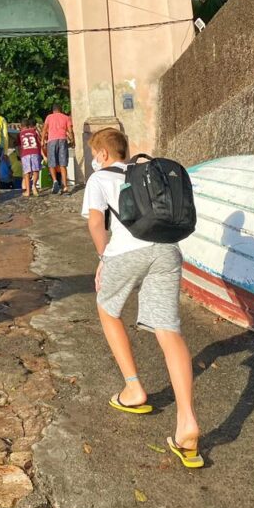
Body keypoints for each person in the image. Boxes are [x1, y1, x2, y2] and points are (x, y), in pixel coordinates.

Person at [82, 127, 203, 468]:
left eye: (95, 154)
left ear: (103, 154)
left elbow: (95, 224)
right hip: (167, 249)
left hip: (126, 253)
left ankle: (134, 389)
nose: (95, 160)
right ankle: (186, 422)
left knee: (107, 310)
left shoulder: (99, 179)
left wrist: (103, 259)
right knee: (168, 329)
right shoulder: (145, 174)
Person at [42, 103, 74, 194]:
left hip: (52, 140)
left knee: (52, 163)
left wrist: (42, 140)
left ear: (53, 110)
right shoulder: (66, 117)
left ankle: (55, 181)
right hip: (62, 140)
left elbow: (44, 129)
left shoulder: (49, 117)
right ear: (61, 109)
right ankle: (65, 186)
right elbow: (70, 130)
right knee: (62, 164)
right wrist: (72, 140)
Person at [18, 119, 42, 197]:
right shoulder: (34, 132)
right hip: (35, 152)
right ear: (29, 126)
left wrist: (20, 155)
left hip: (25, 153)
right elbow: (40, 142)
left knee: (27, 172)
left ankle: (28, 191)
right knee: (36, 170)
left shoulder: (20, 134)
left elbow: (19, 145)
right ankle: (34, 185)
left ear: (21, 126)